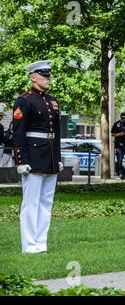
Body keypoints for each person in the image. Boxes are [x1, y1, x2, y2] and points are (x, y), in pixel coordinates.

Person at [12, 60, 63, 253]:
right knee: (31, 202)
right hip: (33, 157)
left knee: (46, 202)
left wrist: (57, 158)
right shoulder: (24, 100)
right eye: (44, 76)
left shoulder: (52, 101)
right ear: (33, 77)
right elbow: (18, 132)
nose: (48, 79)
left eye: (49, 76)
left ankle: (41, 243)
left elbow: (56, 133)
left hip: (49, 156)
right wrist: (21, 160)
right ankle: (29, 245)